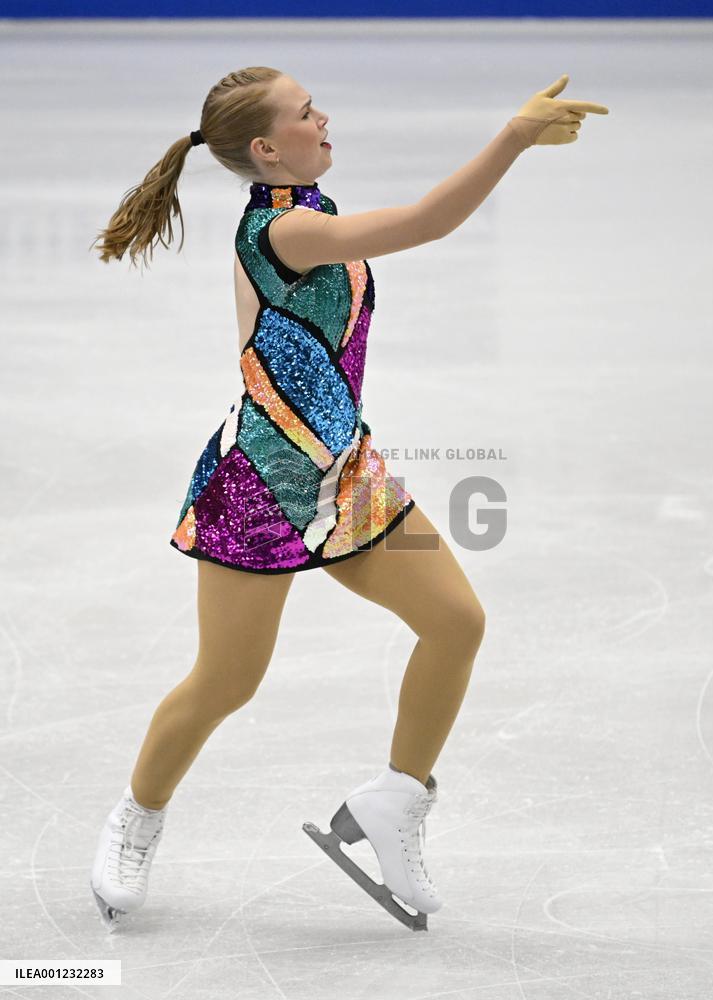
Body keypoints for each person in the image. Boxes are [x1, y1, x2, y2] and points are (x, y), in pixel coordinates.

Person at [88, 67, 608, 932]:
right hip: (259, 484)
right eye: (304, 112)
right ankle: (136, 818)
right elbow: (427, 222)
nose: (323, 118)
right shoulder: (284, 227)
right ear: (264, 147)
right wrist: (511, 137)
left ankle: (394, 804)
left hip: (346, 477)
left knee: (455, 622)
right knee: (226, 681)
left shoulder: (312, 211)